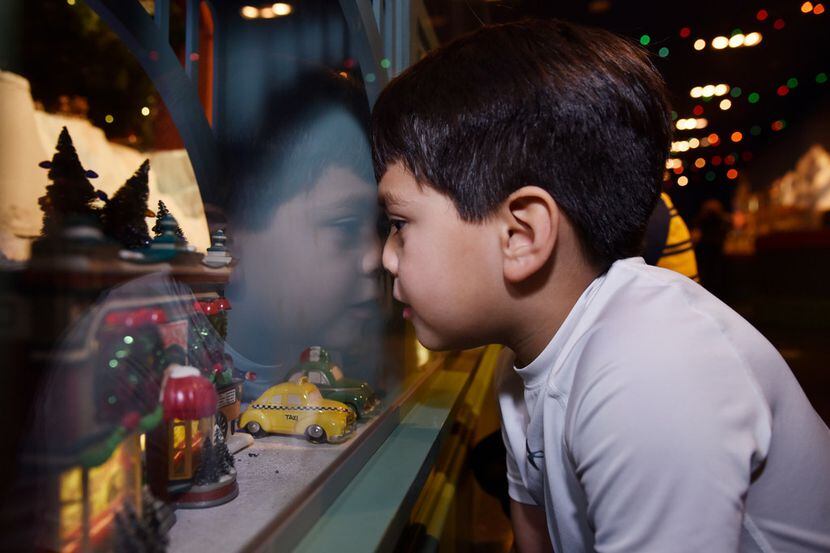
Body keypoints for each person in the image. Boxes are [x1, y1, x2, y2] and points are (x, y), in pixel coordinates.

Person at [371, 19, 830, 553]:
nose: (384, 256)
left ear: (521, 234)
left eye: (400, 224)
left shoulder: (652, 374)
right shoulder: (523, 364)